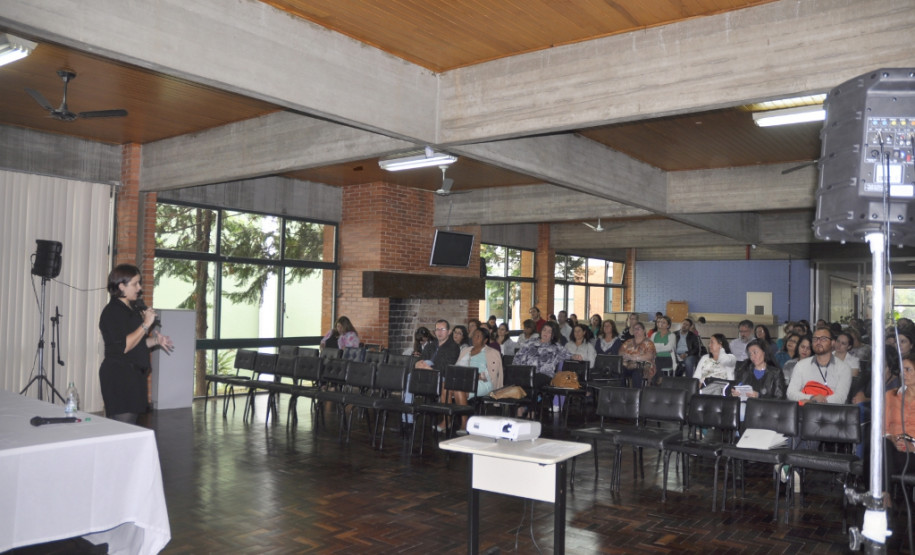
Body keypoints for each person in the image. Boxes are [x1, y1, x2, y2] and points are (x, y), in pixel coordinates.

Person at [98, 264, 173, 423]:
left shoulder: (131, 310)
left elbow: (137, 343)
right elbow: (124, 346)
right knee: (122, 428)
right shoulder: (112, 312)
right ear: (121, 286)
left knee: (129, 426)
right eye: (135, 284)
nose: (139, 288)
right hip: (119, 376)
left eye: (139, 283)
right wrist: (145, 324)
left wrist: (156, 341)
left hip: (134, 376)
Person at [437, 327, 503, 432]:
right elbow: (457, 366)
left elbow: (493, 374)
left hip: (483, 381)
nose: (474, 338)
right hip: (464, 379)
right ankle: (446, 420)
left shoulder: (492, 353)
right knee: (445, 385)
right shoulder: (466, 350)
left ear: (485, 340)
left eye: (478, 336)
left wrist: (475, 376)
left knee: (459, 388)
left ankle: (465, 423)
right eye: (474, 335)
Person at [786, 327, 852, 404]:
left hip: (831, 409)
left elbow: (841, 398)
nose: (818, 342)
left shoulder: (844, 368)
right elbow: (791, 393)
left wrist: (820, 401)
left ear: (832, 343)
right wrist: (812, 398)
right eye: (815, 339)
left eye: (823, 339)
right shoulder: (801, 365)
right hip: (805, 408)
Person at [884, 352, 915, 487]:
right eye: (902, 370)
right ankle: (884, 495)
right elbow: (883, 428)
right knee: (881, 448)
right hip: (892, 447)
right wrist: (892, 439)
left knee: (879, 459)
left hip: (912, 453)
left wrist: (912, 446)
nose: (903, 374)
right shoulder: (891, 395)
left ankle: (881, 495)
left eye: (908, 369)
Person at [513, 320, 570, 389]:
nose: (545, 333)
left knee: (534, 379)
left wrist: (575, 356)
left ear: (553, 335)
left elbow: (569, 355)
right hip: (526, 372)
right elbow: (518, 356)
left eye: (549, 332)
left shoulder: (556, 347)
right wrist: (518, 370)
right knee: (515, 376)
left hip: (544, 375)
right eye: (544, 330)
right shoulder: (530, 342)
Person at [619, 322, 656, 388]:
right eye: (634, 329)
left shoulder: (649, 343)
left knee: (637, 373)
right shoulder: (628, 342)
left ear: (644, 330)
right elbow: (620, 352)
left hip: (643, 366)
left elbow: (649, 356)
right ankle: (622, 392)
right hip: (628, 365)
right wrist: (626, 356)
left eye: (638, 329)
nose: (636, 331)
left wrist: (635, 358)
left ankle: (637, 393)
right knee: (620, 371)